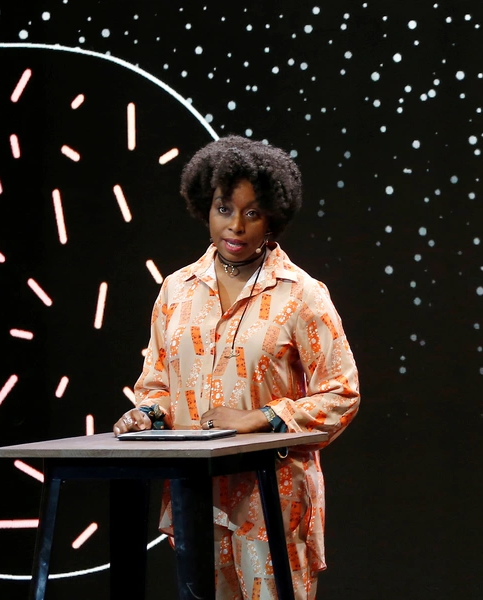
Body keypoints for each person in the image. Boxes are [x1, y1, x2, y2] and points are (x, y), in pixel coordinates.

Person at [112, 135, 360, 600]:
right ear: (206, 207)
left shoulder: (302, 295)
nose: (237, 226)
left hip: (271, 502)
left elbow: (341, 394)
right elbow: (158, 384)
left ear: (272, 217)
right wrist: (146, 414)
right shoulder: (176, 292)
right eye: (225, 209)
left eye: (253, 212)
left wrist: (263, 418)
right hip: (196, 498)